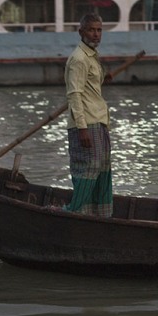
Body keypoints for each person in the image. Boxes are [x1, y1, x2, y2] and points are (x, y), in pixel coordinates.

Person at [63, 13, 114, 217]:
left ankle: (100, 214)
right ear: (81, 32)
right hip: (86, 124)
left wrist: (101, 79)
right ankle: (76, 212)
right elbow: (74, 94)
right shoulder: (78, 59)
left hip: (99, 121)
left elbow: (87, 87)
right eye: (92, 30)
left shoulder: (92, 56)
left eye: (99, 30)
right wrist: (82, 128)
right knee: (88, 168)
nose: (96, 34)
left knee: (103, 168)